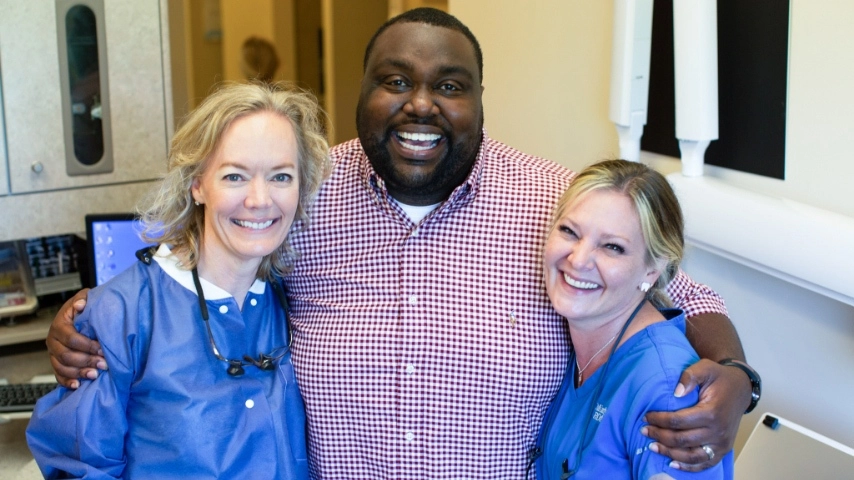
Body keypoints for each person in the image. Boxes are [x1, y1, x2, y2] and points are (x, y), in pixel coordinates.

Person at [46, 8, 759, 479]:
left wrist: (732, 372)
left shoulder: (554, 207)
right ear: (361, 92)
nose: (420, 105)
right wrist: (98, 316)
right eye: (395, 82)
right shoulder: (305, 195)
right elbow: (196, 264)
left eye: (449, 86)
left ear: (481, 97)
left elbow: (673, 290)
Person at [27, 82, 330, 479]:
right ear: (197, 183)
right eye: (235, 177)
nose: (260, 199)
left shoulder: (298, 299)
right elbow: (80, 467)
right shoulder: (122, 314)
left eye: (281, 177)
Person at [535, 160, 735, 479]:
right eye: (569, 231)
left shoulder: (667, 391)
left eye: (613, 247)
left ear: (653, 270)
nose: (578, 259)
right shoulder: (589, 353)